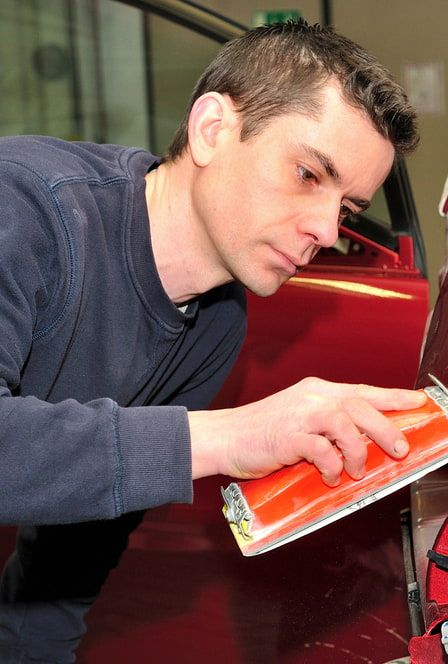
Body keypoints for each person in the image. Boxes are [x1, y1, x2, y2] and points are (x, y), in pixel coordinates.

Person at [0, 20, 423, 662]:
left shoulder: (217, 321)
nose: (322, 229)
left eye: (347, 211)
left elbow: (70, 557)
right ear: (212, 130)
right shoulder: (25, 207)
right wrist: (228, 435)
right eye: (309, 174)